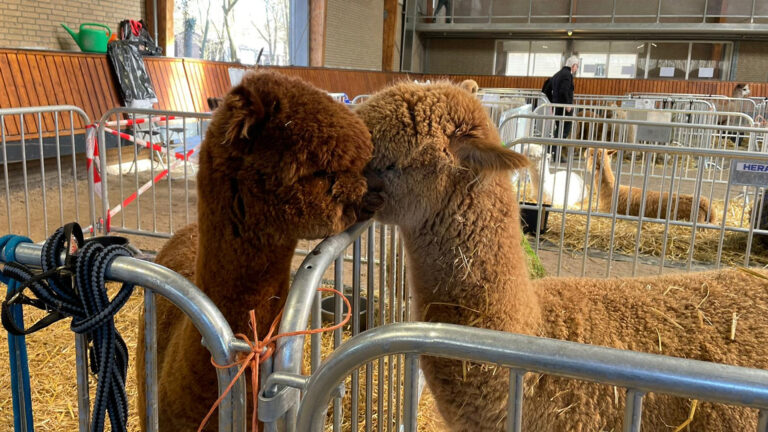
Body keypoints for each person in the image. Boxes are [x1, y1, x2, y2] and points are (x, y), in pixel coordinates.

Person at [550, 55, 579, 161]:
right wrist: (567, 104)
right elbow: (564, 90)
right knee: (564, 130)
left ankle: (553, 151)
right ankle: (556, 153)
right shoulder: (567, 75)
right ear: (573, 65)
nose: (577, 68)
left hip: (557, 106)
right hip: (564, 108)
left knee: (559, 128)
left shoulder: (557, 74)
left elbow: (550, 88)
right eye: (577, 66)